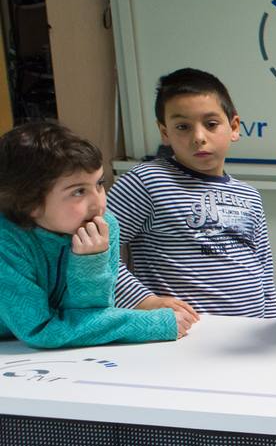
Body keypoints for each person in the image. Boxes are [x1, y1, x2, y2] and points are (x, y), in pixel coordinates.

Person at [106, 68, 276, 320]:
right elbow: (96, 254)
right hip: (183, 339)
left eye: (211, 124)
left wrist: (272, 326)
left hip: (249, 337)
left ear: (234, 127)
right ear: (165, 133)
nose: (198, 137)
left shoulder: (249, 195)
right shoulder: (146, 181)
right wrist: (143, 300)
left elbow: (263, 270)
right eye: (183, 127)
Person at [0, 121, 191, 347]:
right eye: (78, 191)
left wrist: (90, 262)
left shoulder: (104, 224)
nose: (98, 203)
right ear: (29, 203)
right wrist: (151, 324)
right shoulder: (6, 241)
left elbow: (93, 315)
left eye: (99, 184)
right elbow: (39, 329)